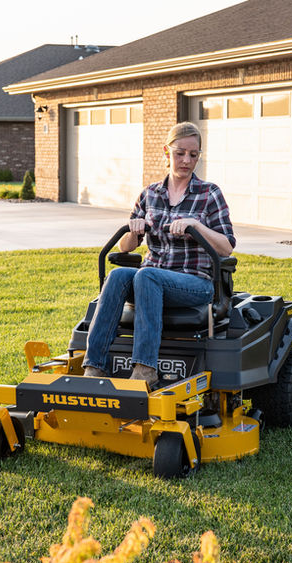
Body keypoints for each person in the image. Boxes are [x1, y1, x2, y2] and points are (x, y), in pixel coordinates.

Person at [82, 122, 235, 387]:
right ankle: (94, 366)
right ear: (167, 152)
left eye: (193, 154)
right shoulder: (150, 194)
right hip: (151, 280)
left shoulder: (209, 194)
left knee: (147, 276)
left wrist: (196, 225)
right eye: (180, 153)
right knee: (119, 275)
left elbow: (226, 246)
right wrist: (133, 229)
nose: (186, 160)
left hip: (194, 283)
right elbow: (126, 247)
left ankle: (145, 369)